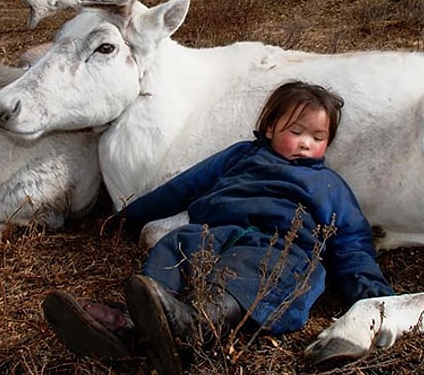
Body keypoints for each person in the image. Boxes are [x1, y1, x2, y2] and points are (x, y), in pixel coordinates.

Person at [42, 81, 393, 374]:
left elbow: (352, 242)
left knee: (256, 267)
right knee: (176, 244)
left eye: (317, 137)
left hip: (279, 247)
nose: (305, 142)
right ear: (270, 128)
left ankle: (195, 324)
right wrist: (126, 219)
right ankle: (138, 324)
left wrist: (373, 295)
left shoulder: (329, 185)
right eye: (295, 131)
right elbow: (184, 187)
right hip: (214, 232)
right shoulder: (240, 156)